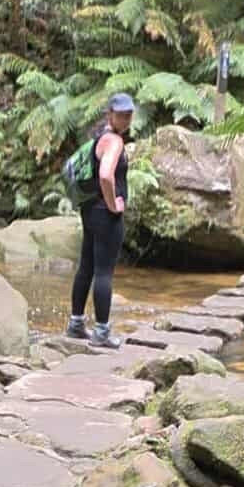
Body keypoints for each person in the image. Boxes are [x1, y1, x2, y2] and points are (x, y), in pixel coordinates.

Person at [66, 92, 134, 348]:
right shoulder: (114, 142)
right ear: (110, 114)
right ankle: (102, 332)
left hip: (90, 210)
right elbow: (106, 175)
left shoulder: (99, 138)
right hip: (106, 214)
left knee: (87, 266)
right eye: (121, 115)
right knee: (104, 272)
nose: (126, 119)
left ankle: (76, 324)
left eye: (129, 114)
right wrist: (113, 204)